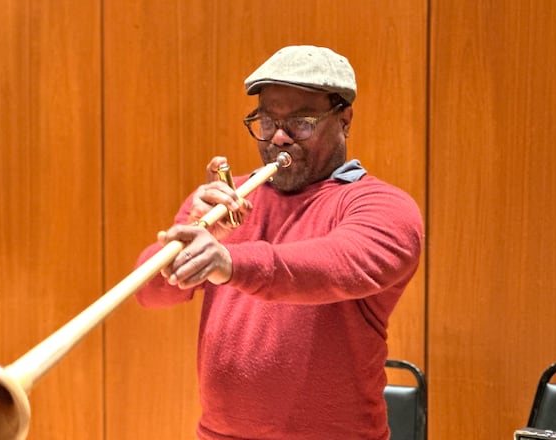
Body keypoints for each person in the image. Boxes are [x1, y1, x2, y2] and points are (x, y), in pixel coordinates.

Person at [135, 45, 423, 440]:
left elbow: (333, 265)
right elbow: (149, 294)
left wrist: (229, 262)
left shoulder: (381, 206)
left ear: (345, 119)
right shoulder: (226, 199)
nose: (280, 139)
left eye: (301, 123)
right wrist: (187, 236)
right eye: (267, 123)